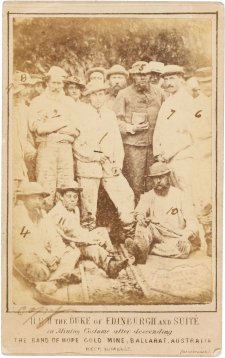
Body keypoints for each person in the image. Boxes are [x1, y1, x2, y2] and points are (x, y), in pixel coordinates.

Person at [73, 81, 135, 237]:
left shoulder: (109, 115)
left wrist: (118, 163)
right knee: (88, 204)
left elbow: (116, 141)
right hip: (88, 165)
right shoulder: (79, 114)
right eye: (94, 94)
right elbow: (77, 143)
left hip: (109, 164)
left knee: (125, 195)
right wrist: (95, 155)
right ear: (88, 97)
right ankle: (90, 239)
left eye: (101, 94)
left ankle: (129, 232)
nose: (98, 98)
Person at [48, 181, 129, 278]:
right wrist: (93, 240)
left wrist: (94, 237)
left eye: (75, 197)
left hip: (73, 241)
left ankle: (112, 261)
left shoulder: (75, 210)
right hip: (62, 247)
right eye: (69, 196)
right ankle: (110, 265)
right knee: (92, 246)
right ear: (61, 197)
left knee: (101, 231)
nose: (72, 200)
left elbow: (78, 231)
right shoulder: (58, 213)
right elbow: (72, 235)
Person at [13, 182, 81, 295]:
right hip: (29, 256)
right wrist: (47, 258)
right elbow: (26, 245)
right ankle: (60, 276)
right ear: (24, 199)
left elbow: (55, 239)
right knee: (38, 270)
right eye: (33, 198)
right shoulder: (18, 215)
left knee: (73, 251)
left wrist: (56, 256)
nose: (37, 202)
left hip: (47, 257)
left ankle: (53, 282)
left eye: (40, 199)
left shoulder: (43, 214)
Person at [125, 162, 200, 264]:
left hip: (176, 235)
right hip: (157, 231)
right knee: (142, 225)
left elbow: (192, 222)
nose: (158, 181)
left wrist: (185, 237)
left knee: (183, 250)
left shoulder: (180, 196)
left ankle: (147, 249)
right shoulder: (148, 196)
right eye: (155, 178)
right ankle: (142, 248)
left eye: (161, 177)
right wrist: (140, 216)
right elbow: (139, 211)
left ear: (168, 177)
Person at [28, 66, 79, 210]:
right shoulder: (38, 101)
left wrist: (51, 126)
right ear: (47, 83)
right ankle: (45, 224)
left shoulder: (69, 102)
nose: (57, 86)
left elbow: (75, 130)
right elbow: (37, 127)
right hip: (46, 147)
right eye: (54, 83)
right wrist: (63, 124)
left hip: (65, 148)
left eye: (60, 83)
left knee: (66, 185)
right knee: (46, 185)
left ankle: (63, 224)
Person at [113, 61, 164, 203]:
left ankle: (152, 215)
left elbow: (167, 117)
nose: (142, 78)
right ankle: (136, 217)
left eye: (146, 75)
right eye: (138, 75)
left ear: (150, 76)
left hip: (154, 147)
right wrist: (130, 128)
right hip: (133, 147)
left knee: (154, 181)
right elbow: (115, 122)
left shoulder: (159, 93)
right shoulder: (124, 94)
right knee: (135, 183)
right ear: (133, 76)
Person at [153, 65, 195, 200]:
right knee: (175, 192)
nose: (169, 83)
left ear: (181, 79)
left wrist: (168, 153)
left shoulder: (187, 101)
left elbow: (188, 134)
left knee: (186, 190)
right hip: (166, 157)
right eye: (166, 79)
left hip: (182, 155)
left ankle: (192, 219)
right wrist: (158, 153)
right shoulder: (167, 101)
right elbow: (159, 129)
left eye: (172, 78)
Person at [12, 71, 37, 191]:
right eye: (23, 87)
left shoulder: (26, 109)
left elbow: (27, 136)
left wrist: (29, 148)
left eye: (28, 87)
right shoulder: (6, 108)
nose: (26, 91)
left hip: (21, 163)